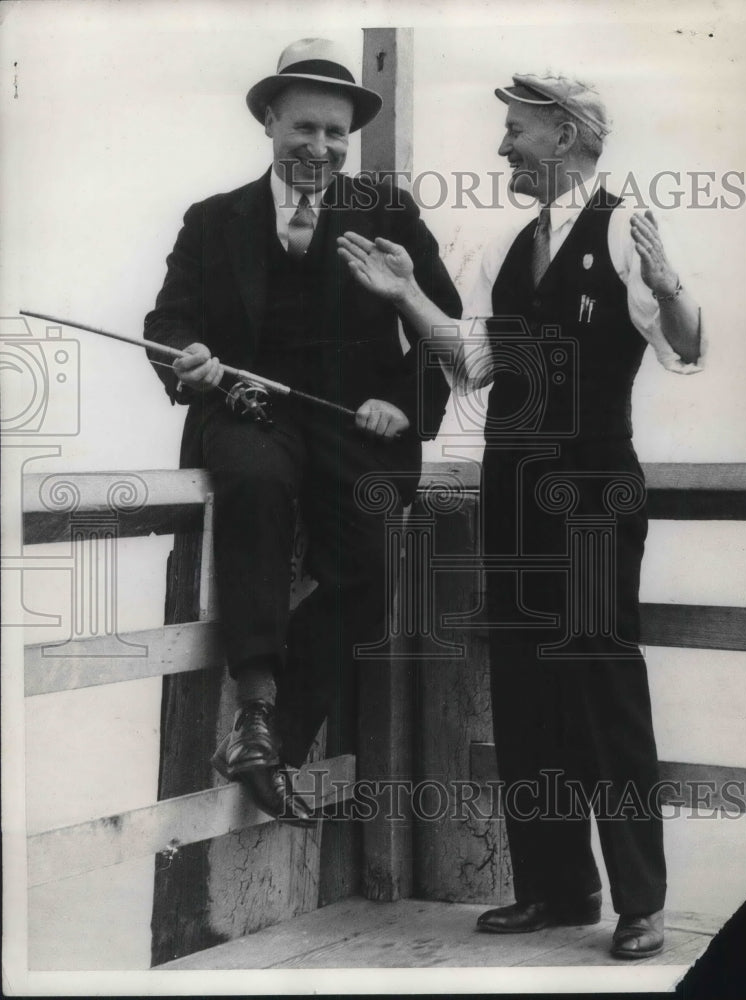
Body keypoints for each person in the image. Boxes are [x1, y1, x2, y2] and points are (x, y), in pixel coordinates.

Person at [337, 72, 703, 959]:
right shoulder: (512, 245)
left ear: (567, 135)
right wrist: (404, 297)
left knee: (601, 687)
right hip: (512, 486)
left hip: (589, 490)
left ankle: (640, 903)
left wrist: (672, 284)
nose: (502, 147)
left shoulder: (621, 227)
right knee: (524, 686)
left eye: (516, 132)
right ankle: (555, 888)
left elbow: (685, 344)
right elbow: (474, 365)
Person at [144, 38, 460, 824]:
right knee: (252, 482)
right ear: (268, 122)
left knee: (374, 569)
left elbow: (442, 331)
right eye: (304, 129)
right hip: (249, 412)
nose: (319, 148)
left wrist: (405, 407)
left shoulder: (388, 213)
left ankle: (269, 740)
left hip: (354, 425)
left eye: (335, 134)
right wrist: (188, 359)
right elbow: (166, 322)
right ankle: (254, 705)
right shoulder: (212, 220)